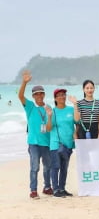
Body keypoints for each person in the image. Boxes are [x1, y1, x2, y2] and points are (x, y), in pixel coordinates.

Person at [18, 70, 52, 199]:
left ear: (44, 94)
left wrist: (49, 116)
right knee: (35, 167)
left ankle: (47, 187)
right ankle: (33, 190)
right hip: (33, 143)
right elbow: (20, 96)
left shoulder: (48, 107)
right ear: (33, 96)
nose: (39, 96)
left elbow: (49, 127)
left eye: (41, 93)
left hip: (46, 142)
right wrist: (24, 82)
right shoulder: (30, 106)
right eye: (36, 94)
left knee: (47, 166)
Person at [47, 88, 75, 197]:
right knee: (55, 166)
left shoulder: (71, 109)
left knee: (64, 168)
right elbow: (48, 128)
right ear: (55, 98)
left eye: (63, 95)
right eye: (59, 95)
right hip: (56, 143)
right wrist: (49, 117)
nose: (62, 97)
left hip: (68, 144)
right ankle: (55, 189)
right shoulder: (52, 111)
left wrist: (75, 104)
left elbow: (77, 122)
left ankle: (62, 188)